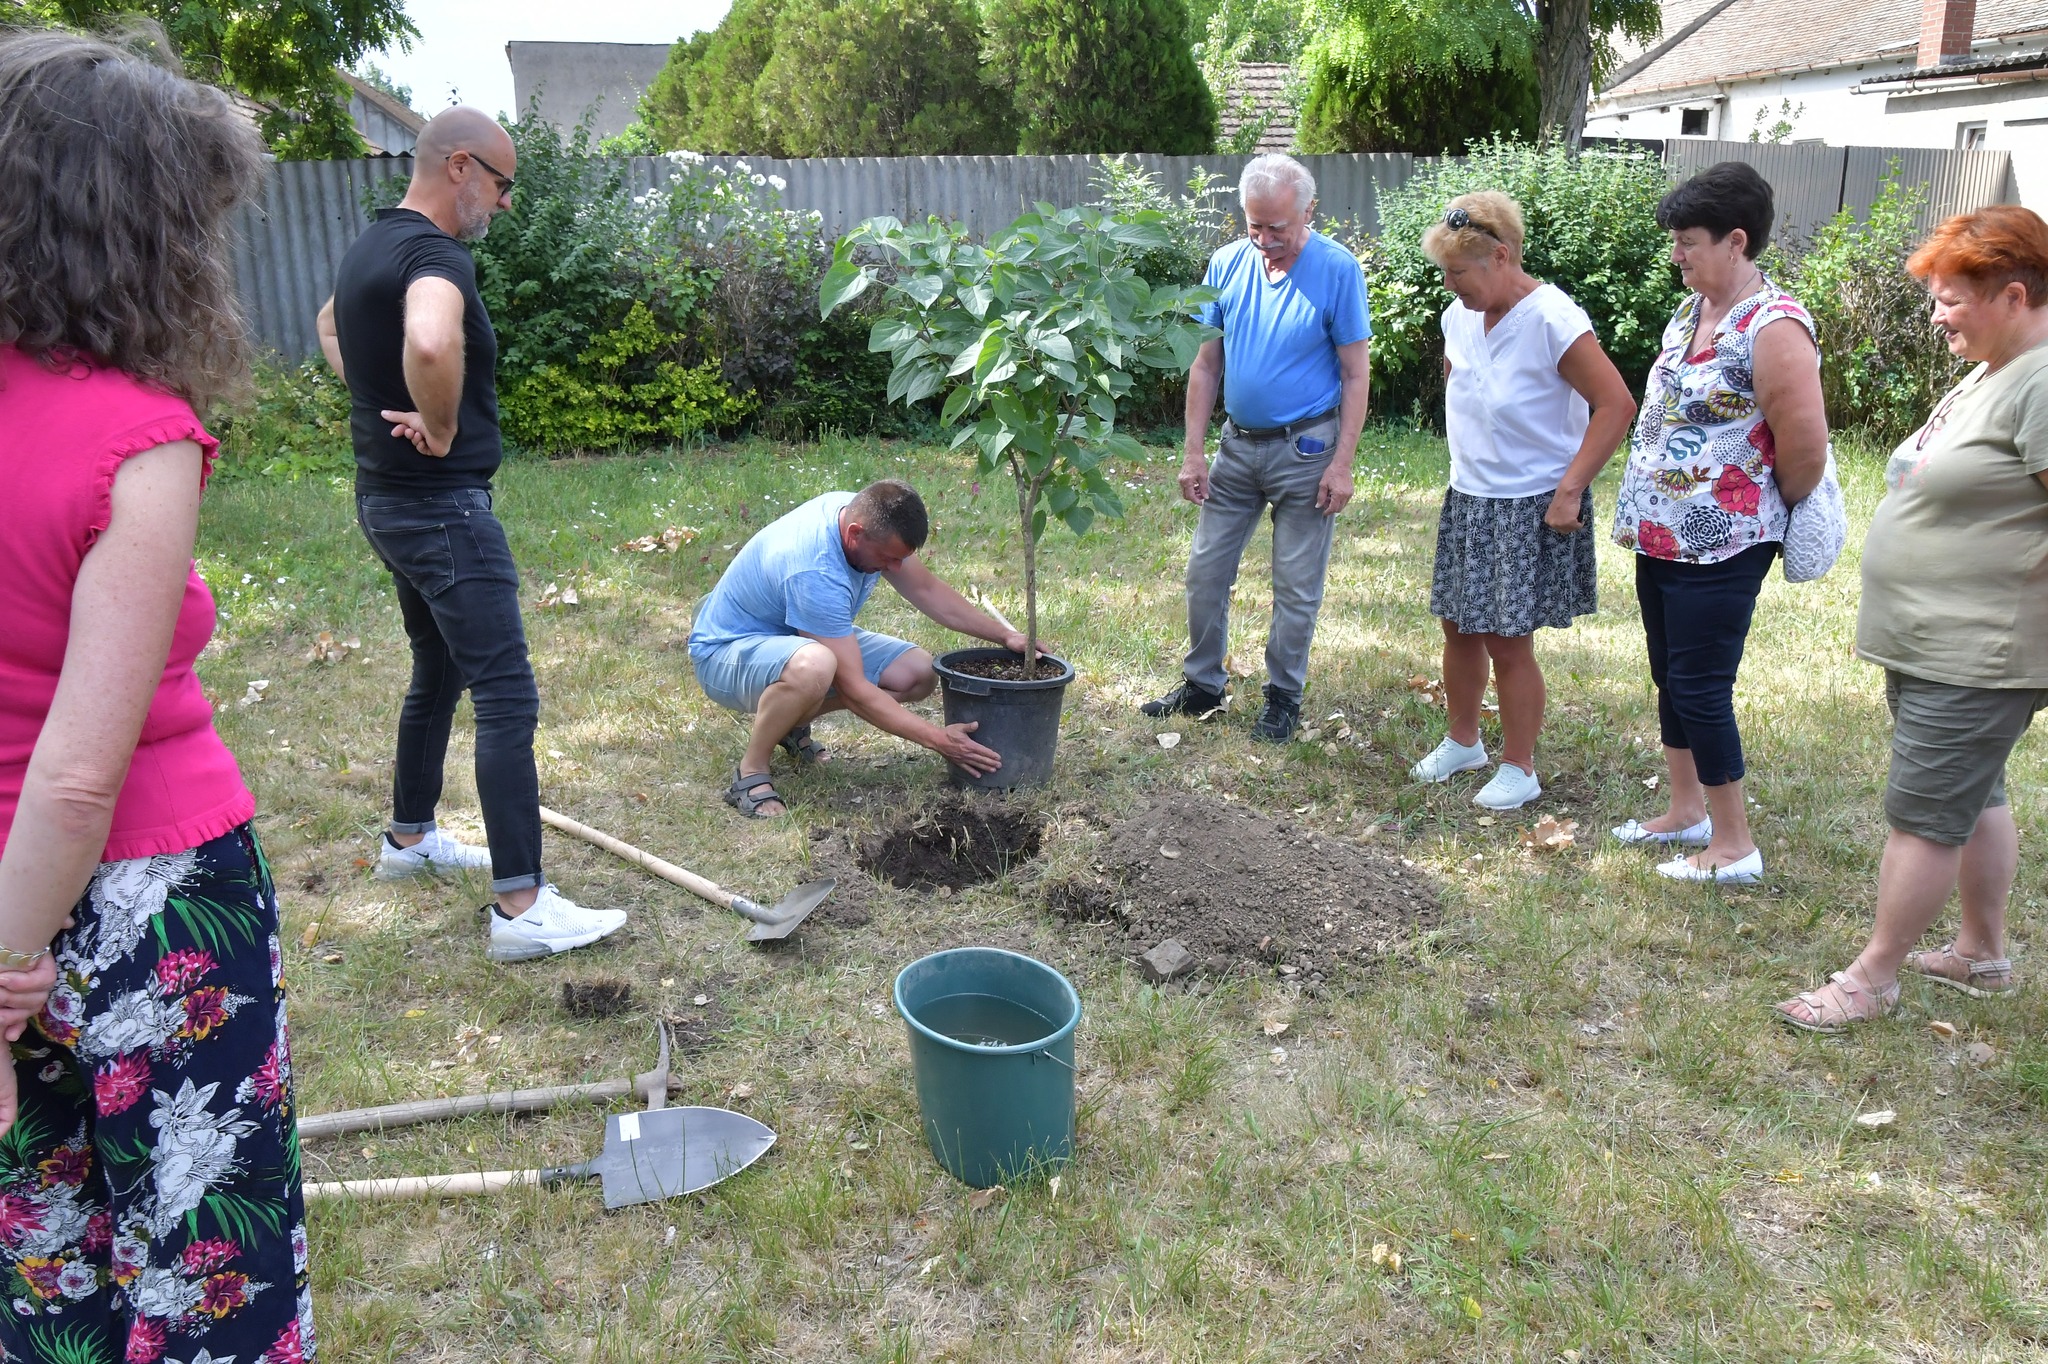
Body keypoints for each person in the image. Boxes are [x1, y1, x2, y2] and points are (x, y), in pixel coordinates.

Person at [0, 29, 312, 1362]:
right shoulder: (138, 440)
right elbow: (80, 775)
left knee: (48, 1258)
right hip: (148, 904)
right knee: (204, 1272)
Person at [316, 108, 627, 963]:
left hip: (386, 502)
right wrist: (442, 425)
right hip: (442, 508)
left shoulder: (370, 246)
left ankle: (409, 840)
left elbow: (331, 325)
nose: (506, 201)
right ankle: (522, 908)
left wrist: (375, 397)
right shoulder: (435, 256)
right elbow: (429, 337)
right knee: (507, 694)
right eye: (502, 183)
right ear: (460, 167)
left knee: (440, 669)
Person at [1776, 206, 2048, 1031]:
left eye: (1952, 299)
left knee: (1925, 816)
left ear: (2013, 295)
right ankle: (1981, 953)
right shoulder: (2000, 369)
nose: (1936, 316)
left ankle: (1873, 977)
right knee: (1974, 793)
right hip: (1940, 641)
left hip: (1980, 650)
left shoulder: (2041, 381)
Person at [1608, 161, 1829, 883]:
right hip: (1660, 531)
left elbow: (1804, 449)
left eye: (1689, 241)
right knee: (1670, 675)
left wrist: (1748, 510)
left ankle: (1734, 846)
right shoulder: (1690, 311)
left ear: (1737, 241)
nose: (1677, 254)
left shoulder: (1775, 326)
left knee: (1702, 684)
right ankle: (1686, 812)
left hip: (1725, 541)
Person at [1407, 192, 1637, 810]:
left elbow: (1616, 406)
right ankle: (1463, 741)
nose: (1450, 284)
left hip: (1530, 504)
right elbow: (1462, 385)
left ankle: (1520, 766)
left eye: (1459, 272)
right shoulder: (1459, 315)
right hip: (1471, 497)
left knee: (1508, 640)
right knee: (1458, 625)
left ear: (1502, 257)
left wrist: (1571, 491)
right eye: (1446, 272)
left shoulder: (1552, 319)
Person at [1141, 153, 1372, 743]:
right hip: (1236, 449)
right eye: (1254, 226)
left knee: (1295, 585)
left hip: (1307, 452)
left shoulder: (1338, 269)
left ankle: (1283, 697)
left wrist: (1342, 464)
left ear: (1309, 212)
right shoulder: (1225, 264)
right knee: (1205, 572)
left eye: (1278, 228)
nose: (1265, 240)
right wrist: (1193, 452)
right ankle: (1203, 685)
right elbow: (1205, 364)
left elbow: (1355, 375)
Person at [689, 481, 1033, 816]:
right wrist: (938, 740)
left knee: (917, 673)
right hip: (726, 652)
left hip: (793, 634)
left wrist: (1005, 635)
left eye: (901, 559)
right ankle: (751, 771)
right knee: (815, 667)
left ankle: (789, 721)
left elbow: (927, 590)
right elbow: (854, 690)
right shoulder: (815, 569)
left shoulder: (868, 514)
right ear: (855, 534)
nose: (895, 569)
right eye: (888, 558)